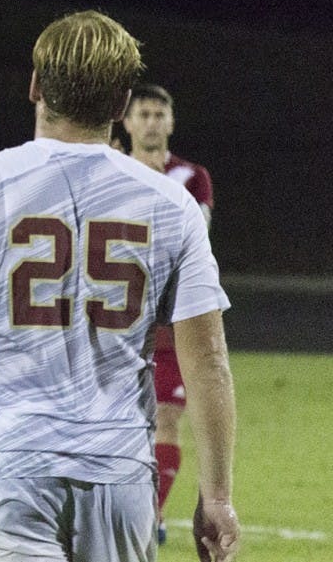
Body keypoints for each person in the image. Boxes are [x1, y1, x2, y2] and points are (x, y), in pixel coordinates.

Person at [0, 10, 240, 562]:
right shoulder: (172, 204)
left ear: (35, 86)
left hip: (5, 462)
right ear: (123, 102)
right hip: (120, 472)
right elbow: (210, 359)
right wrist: (216, 494)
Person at [123, 83, 215, 544]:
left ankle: (151, 517)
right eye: (144, 113)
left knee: (165, 415)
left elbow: (193, 242)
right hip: (117, 315)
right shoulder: (111, 169)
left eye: (160, 114)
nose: (152, 122)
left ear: (171, 122)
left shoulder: (191, 177)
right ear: (127, 121)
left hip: (169, 319)